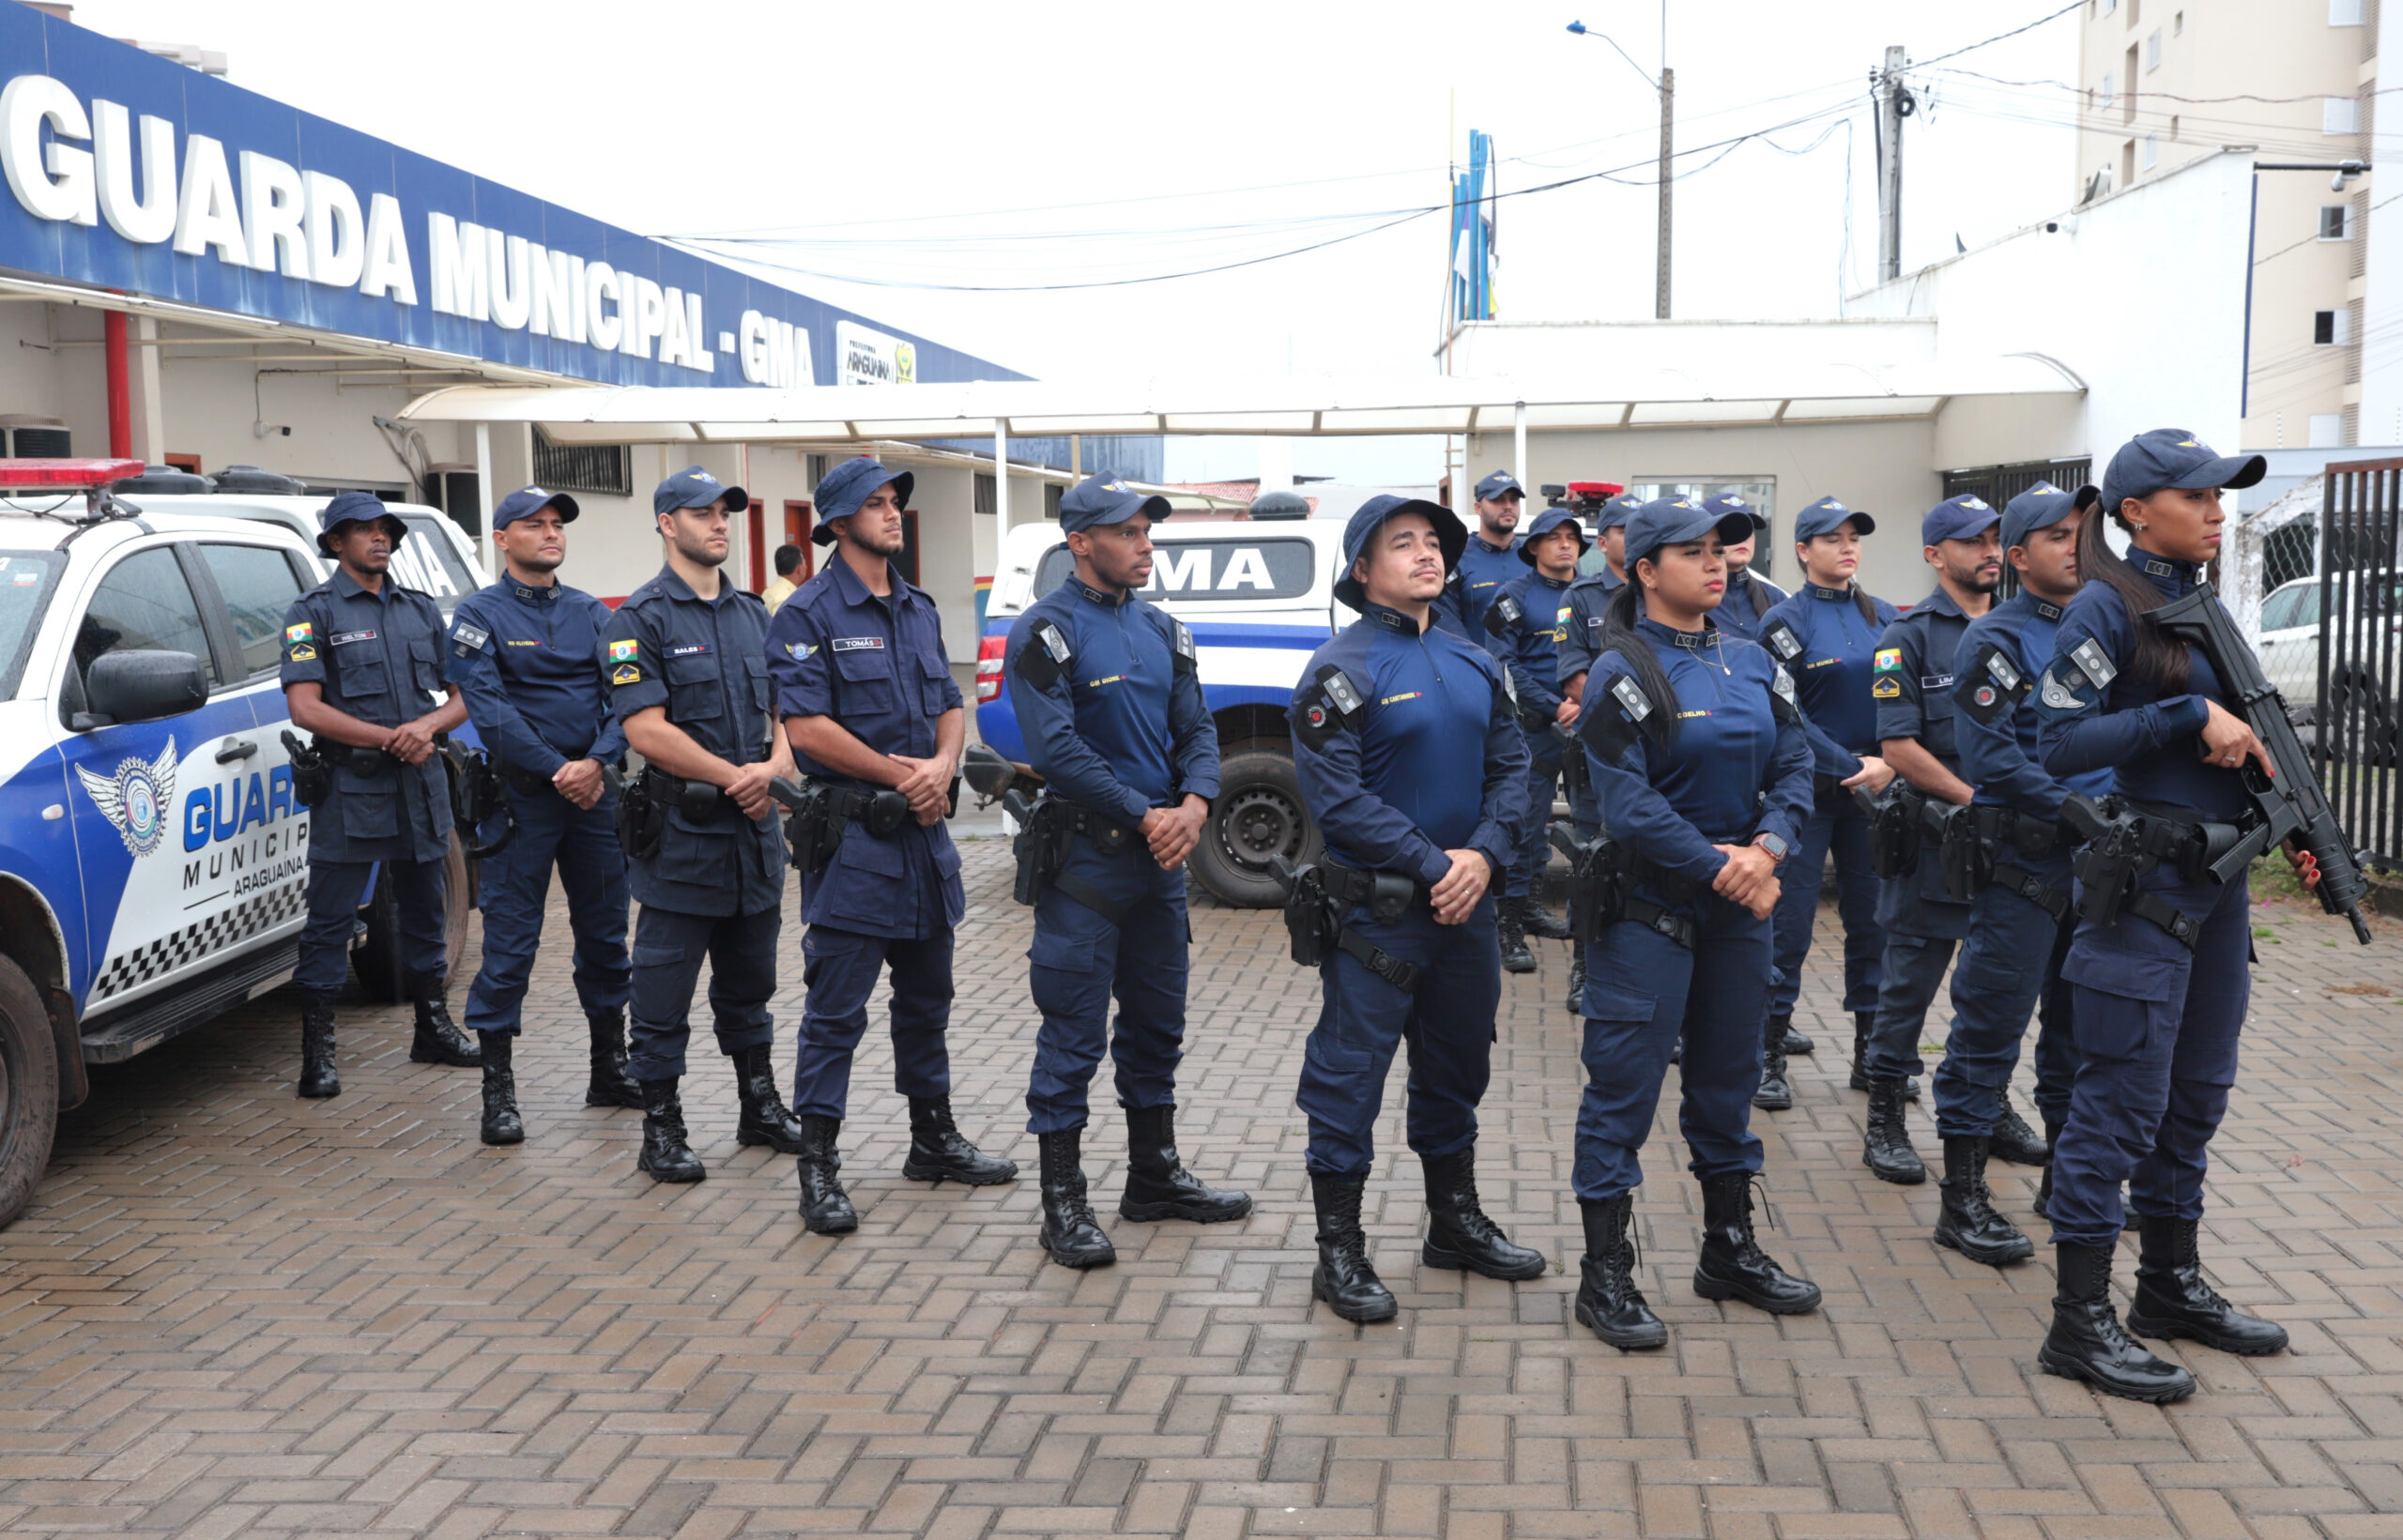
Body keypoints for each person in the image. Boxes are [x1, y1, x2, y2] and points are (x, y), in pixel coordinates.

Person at [2032, 429, 2304, 1403]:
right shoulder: (2107, 606)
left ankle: (2167, 1285)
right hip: (2142, 892)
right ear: (2136, 511)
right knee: (2118, 1102)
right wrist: (2187, 719)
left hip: (2217, 888)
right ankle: (2078, 1322)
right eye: (2200, 497)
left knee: (2195, 1092)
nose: (2218, 514)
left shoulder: (2201, 606)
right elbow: (2054, 741)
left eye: (2223, 499)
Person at [1568, 496, 1819, 1349]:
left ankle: (1729, 1248)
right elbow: (1626, 802)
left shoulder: (1752, 661)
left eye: (1723, 549)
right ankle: (1606, 1276)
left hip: (1740, 913)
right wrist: (1726, 866)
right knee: (1622, 1091)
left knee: (1727, 1084)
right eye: (1694, 552)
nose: (1718, 563)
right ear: (1644, 570)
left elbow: (1795, 764)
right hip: (1651, 912)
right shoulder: (1623, 669)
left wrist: (1771, 848)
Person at [1288, 495, 1538, 1323]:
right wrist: (1441, 865)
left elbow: (1514, 770)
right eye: (1404, 544)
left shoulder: (1474, 658)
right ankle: (1339, 1251)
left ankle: (1453, 1224)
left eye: (1434, 543)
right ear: (1363, 570)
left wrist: (1485, 857)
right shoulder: (1340, 669)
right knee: (1348, 1079)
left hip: (1462, 917)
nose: (1427, 555)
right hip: (1378, 920)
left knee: (1457, 1068)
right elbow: (1339, 800)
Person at [1004, 474, 1250, 1270]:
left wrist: (1196, 804)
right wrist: (1147, 814)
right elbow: (1057, 751)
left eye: (1148, 530)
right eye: (1128, 531)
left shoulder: (1164, 629)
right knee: (1071, 1037)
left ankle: (1153, 1177)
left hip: (1158, 869)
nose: (1146, 544)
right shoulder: (1045, 632)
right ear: (1081, 541)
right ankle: (1063, 1202)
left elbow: (1198, 728)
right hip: (1086, 867)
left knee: (1157, 1029)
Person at [767, 457, 1015, 1234]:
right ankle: (819, 1163)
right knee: (836, 1011)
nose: (892, 514)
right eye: (874, 505)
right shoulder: (806, 615)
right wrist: (898, 778)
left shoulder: (917, 606)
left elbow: (948, 701)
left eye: (894, 503)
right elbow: (806, 730)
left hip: (923, 840)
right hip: (856, 843)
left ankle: (931, 1139)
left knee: (927, 1001)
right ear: (838, 524)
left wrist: (943, 765)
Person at [604, 465, 809, 1183]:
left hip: (753, 837)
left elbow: (789, 712)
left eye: (725, 510)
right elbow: (645, 729)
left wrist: (775, 770)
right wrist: (738, 777)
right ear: (667, 523)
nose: (720, 522)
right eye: (702, 512)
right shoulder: (640, 620)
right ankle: (662, 1126)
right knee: (661, 991)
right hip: (683, 839)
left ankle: (759, 1104)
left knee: (751, 983)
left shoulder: (756, 615)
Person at [1923, 482, 2098, 1263]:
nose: (2075, 545)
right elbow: (1991, 756)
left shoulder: (2103, 628)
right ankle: (1962, 1201)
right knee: (1989, 1031)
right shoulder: (1995, 637)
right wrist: (2076, 808)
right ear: (2021, 559)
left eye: (2082, 532)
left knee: (2077, 1032)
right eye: (2058, 536)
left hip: (2096, 868)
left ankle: (2066, 1181)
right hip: (2026, 863)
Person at [445, 485, 638, 1144]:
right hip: (522, 799)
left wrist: (598, 762)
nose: (551, 533)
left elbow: (626, 697)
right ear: (502, 539)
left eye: (557, 524)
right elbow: (488, 707)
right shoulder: (478, 614)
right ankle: (498, 1090)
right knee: (509, 946)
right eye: (535, 525)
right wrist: (560, 768)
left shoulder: (594, 613)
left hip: (594, 799)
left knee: (608, 935)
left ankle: (609, 1067)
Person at [281, 492, 479, 1098]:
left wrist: (427, 729)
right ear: (336, 543)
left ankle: (433, 1027)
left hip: (419, 782)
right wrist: (390, 736)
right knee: (330, 922)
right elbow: (304, 706)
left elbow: (464, 692)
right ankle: (318, 1053)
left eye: (385, 529)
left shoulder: (421, 610)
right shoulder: (310, 612)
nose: (379, 538)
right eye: (363, 530)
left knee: (424, 912)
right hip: (352, 785)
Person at [1855, 496, 2003, 1183]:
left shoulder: (2018, 629)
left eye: (1996, 538)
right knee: (1908, 986)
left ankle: (1988, 1104)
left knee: (1998, 987)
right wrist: (1978, 798)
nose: (1990, 550)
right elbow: (1899, 745)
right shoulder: (1907, 636)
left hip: (2011, 845)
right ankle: (1885, 1116)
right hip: (1937, 837)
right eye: (1972, 540)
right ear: (1935, 554)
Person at [1753, 498, 1898, 1109]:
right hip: (1808, 794)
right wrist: (1850, 767)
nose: (1846, 547)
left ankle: (1871, 1053)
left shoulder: (1886, 617)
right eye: (1830, 538)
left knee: (1874, 924)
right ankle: (1767, 1054)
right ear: (1802, 550)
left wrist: (1889, 763)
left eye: (1853, 538)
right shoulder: (1783, 623)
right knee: (1788, 928)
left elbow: (1901, 703)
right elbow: (1785, 714)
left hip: (1876, 794)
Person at [1482, 504, 1587, 972]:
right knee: (1523, 825)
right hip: (1535, 729)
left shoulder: (1591, 595)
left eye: (1572, 537)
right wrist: (1553, 705)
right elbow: (1504, 663)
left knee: (1586, 827)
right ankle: (1509, 927)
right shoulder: (1513, 596)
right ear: (1535, 547)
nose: (1566, 544)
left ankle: (1532, 907)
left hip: (1587, 728)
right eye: (1555, 537)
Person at [1551, 490, 1645, 1005]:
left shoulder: (1660, 588)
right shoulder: (1580, 598)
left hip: (1660, 754)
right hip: (1602, 752)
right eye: (1623, 530)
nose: (1632, 540)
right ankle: (1585, 965)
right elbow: (1574, 678)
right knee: (1594, 858)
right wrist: (1641, 718)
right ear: (1604, 539)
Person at [1448, 470, 1527, 635]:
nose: (1508, 506)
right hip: (1476, 659)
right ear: (1478, 507)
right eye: (1498, 500)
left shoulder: (1533, 558)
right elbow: (1447, 624)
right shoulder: (1456, 559)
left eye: (1514, 500)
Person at [1712, 498, 1791, 645]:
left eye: (1749, 530)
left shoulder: (1775, 597)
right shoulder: (1691, 600)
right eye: (1732, 529)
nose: (1743, 538)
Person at [762, 543, 805, 613]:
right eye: (805, 563)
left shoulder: (767, 592)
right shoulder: (787, 598)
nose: (806, 567)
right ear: (799, 569)